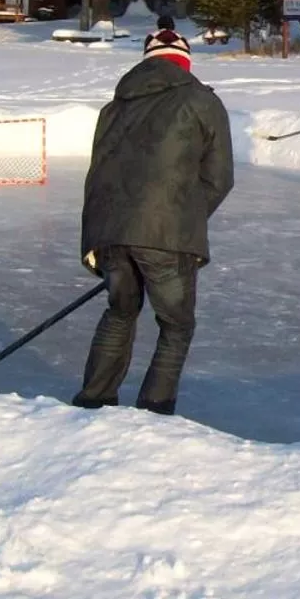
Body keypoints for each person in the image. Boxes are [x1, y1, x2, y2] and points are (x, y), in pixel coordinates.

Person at [73, 27, 234, 414]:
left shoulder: (114, 107)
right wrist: (181, 221)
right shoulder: (201, 101)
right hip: (167, 233)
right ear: (184, 61)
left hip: (108, 232)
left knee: (120, 310)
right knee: (176, 325)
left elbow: (98, 173)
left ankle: (93, 401)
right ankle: (154, 413)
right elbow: (219, 178)